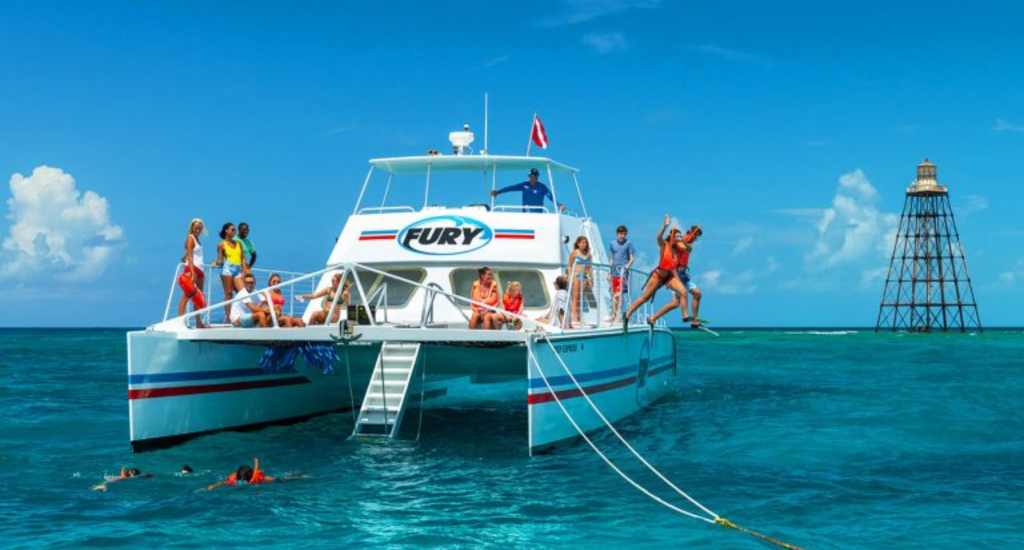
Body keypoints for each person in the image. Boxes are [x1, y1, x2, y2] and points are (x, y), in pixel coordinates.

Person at [623, 215, 695, 331]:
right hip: (658, 276)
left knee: (684, 292)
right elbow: (658, 236)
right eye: (675, 236)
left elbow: (689, 249)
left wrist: (682, 240)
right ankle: (627, 314)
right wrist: (665, 226)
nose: (677, 238)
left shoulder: (678, 250)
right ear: (671, 237)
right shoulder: (664, 245)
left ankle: (685, 317)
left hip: (669, 277)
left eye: (679, 236)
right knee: (645, 298)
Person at [650, 225, 703, 328]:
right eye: (696, 236)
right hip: (675, 275)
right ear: (692, 233)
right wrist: (684, 242)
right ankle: (653, 317)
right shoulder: (681, 240)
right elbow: (682, 247)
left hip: (684, 274)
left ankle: (694, 321)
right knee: (675, 303)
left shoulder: (688, 242)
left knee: (697, 294)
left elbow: (688, 248)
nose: (696, 239)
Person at [490, 168, 565, 213]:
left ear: (538, 177)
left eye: (535, 176)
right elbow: (511, 188)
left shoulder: (542, 187)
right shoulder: (524, 185)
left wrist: (559, 205)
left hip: (538, 216)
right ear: (529, 176)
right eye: (532, 176)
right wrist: (498, 192)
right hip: (526, 215)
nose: (533, 178)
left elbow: (551, 197)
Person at [213, 223, 247, 322]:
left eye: (235, 230)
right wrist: (216, 262)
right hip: (227, 268)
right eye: (232, 229)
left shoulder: (238, 244)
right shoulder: (221, 244)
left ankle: (242, 314)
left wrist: (244, 271)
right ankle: (229, 317)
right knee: (228, 293)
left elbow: (243, 258)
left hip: (238, 269)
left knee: (242, 293)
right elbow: (220, 259)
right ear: (226, 231)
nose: (234, 231)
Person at [177, 218, 207, 328]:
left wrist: (183, 257)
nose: (198, 229)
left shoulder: (196, 239)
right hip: (192, 269)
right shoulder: (190, 238)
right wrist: (193, 272)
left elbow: (190, 252)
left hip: (200, 270)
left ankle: (199, 323)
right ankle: (180, 322)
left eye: (200, 227)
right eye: (196, 227)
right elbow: (190, 257)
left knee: (198, 298)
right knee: (187, 296)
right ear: (192, 227)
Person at [608, 225, 635, 322]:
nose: (622, 236)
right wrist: (609, 272)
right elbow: (611, 258)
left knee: (620, 293)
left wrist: (628, 265)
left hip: (623, 271)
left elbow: (632, 259)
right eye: (620, 234)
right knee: (615, 293)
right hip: (614, 270)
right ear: (617, 234)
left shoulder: (629, 243)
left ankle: (618, 313)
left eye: (624, 234)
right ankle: (615, 314)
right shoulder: (612, 243)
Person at [567, 236, 594, 327]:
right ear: (578, 243)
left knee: (581, 298)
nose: (584, 244)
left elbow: (590, 267)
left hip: (585, 277)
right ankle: (574, 318)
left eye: (585, 243)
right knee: (576, 297)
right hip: (576, 276)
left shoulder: (588, 254)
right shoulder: (574, 253)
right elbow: (570, 265)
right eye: (582, 242)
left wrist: (591, 278)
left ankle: (578, 317)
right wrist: (570, 276)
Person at [203, 459, 275, 491]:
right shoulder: (261, 478)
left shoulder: (233, 480)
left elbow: (222, 482)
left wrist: (212, 486)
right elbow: (276, 479)